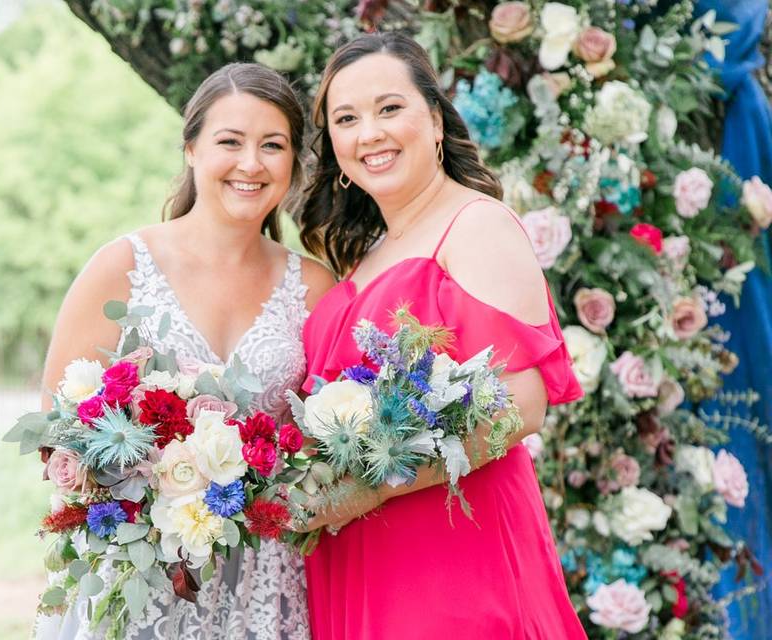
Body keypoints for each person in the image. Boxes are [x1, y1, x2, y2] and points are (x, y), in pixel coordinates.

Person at [296, 32, 587, 639]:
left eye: (389, 108)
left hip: (454, 554)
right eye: (346, 119)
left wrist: (374, 489)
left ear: (434, 120)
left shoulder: (475, 225)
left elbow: (522, 405)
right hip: (360, 556)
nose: (368, 132)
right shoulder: (362, 254)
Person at [34, 62, 334, 640]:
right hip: (136, 572)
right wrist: (149, 490)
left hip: (262, 581)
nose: (251, 164)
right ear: (191, 147)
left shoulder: (316, 289)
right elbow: (55, 429)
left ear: (293, 163)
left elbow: (320, 444)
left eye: (273, 145)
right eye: (230, 141)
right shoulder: (122, 267)